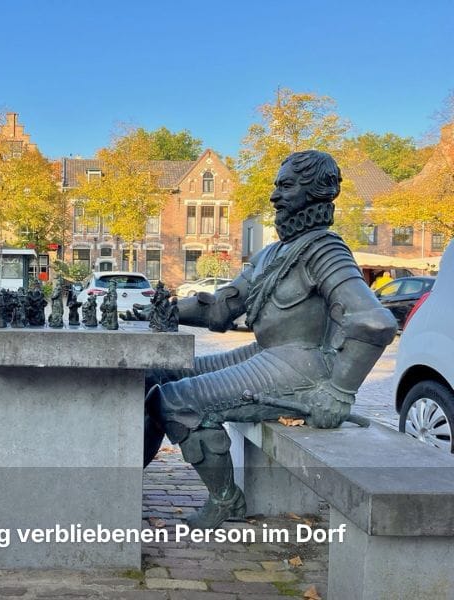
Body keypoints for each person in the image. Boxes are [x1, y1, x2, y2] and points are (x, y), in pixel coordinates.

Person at [125, 150, 397, 528]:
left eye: (286, 186)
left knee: (176, 400)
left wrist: (338, 391)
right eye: (277, 186)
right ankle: (119, 483)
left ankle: (225, 500)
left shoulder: (325, 250)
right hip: (267, 353)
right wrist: (167, 310)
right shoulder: (272, 252)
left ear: (315, 192)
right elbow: (220, 308)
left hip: (300, 368)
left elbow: (374, 322)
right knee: (157, 374)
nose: (274, 196)